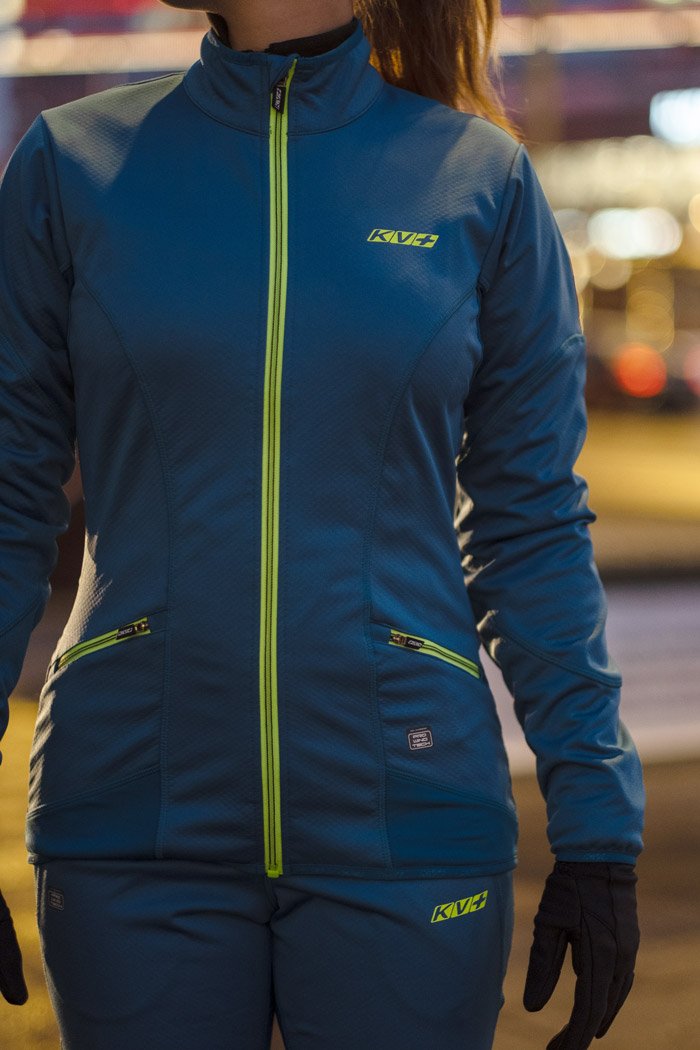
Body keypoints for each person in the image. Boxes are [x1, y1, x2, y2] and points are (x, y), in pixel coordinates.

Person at [0, 1, 645, 1048]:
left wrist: (598, 825)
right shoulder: (72, 164)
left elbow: (529, 525)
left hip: (407, 808)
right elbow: (6, 499)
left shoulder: (477, 181)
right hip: (130, 809)